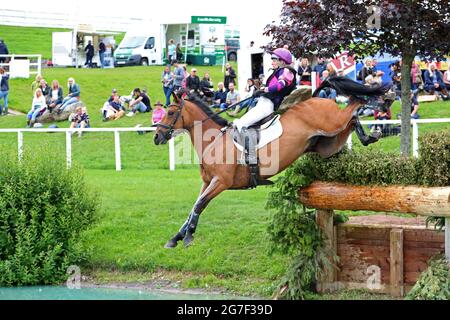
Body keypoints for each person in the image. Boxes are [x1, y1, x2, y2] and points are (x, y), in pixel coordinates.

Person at [233, 47, 296, 132]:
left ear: (282, 61)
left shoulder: (286, 71)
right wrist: (262, 90)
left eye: (274, 60)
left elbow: (280, 85)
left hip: (268, 104)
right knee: (240, 121)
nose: (272, 62)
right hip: (264, 101)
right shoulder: (279, 71)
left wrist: (265, 90)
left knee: (241, 124)